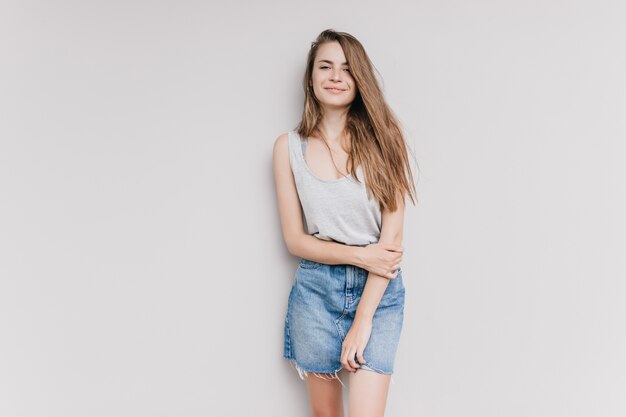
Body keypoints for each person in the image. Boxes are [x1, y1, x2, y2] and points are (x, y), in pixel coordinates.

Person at [272, 29, 418, 417]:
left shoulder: (386, 139)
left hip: (379, 294)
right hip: (316, 291)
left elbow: (392, 240)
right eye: (326, 66)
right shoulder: (288, 148)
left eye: (347, 68)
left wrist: (364, 318)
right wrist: (362, 255)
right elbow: (295, 240)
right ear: (311, 77)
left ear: (359, 80)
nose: (336, 76)